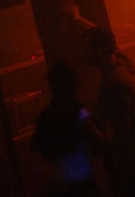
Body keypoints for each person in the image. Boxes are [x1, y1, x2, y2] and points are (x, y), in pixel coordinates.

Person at [83, 28, 135, 197]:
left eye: (90, 48)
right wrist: (79, 20)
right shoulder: (124, 65)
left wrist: (89, 126)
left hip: (131, 163)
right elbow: (111, 44)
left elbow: (122, 133)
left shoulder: (114, 85)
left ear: (101, 49)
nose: (86, 53)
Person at [31, 59, 106, 197]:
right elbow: (100, 142)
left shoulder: (46, 117)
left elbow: (37, 151)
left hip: (58, 188)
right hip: (83, 187)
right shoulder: (79, 114)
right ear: (73, 85)